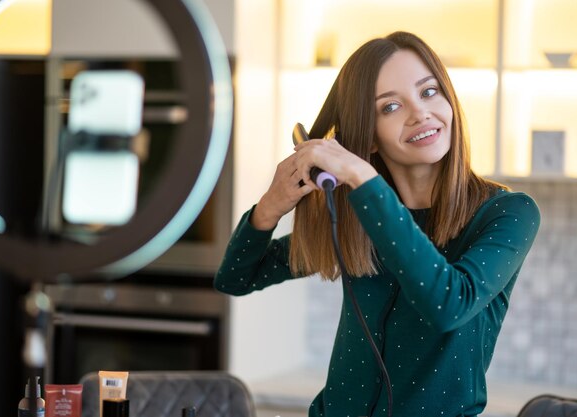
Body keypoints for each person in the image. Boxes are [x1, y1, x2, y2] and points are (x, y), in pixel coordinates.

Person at [214, 31, 540, 417]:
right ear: (367, 137)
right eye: (390, 107)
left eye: (429, 91)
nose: (420, 113)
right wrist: (271, 206)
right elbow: (235, 278)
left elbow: (448, 305)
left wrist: (361, 179)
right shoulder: (357, 217)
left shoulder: (508, 213)